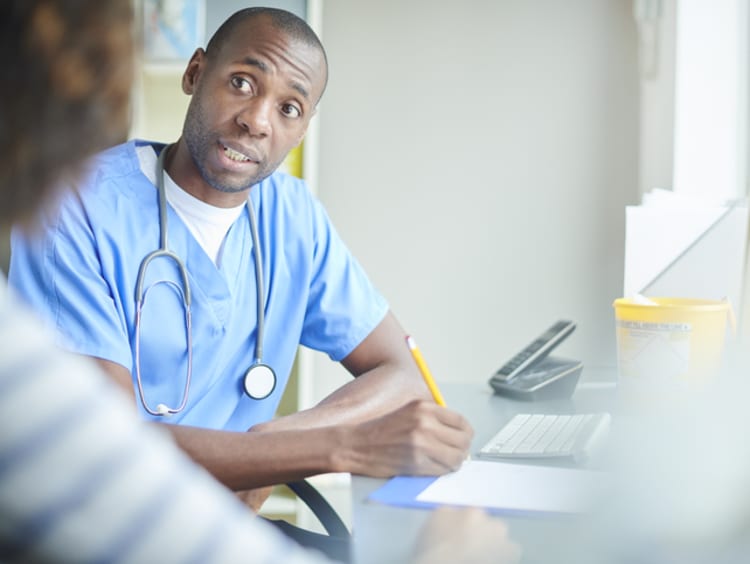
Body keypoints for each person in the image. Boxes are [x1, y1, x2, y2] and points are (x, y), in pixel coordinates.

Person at [0, 1, 524, 563]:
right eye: (242, 82)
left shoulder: (292, 216)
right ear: (195, 73)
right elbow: (107, 451)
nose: (258, 120)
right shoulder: (77, 206)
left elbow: (401, 372)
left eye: (290, 107)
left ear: (301, 129)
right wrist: (333, 446)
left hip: (221, 523)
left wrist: (271, 445)